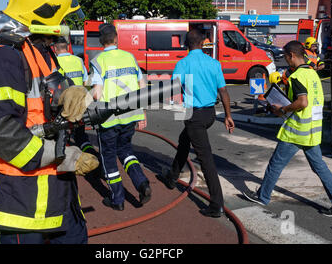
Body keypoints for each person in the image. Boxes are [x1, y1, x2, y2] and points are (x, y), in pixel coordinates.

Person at [0, 0, 97, 244]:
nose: (64, 24)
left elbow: (53, 98)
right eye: (62, 17)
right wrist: (64, 155)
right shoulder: (5, 60)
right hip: (24, 206)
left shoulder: (42, 52)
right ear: (45, 15)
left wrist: (76, 94)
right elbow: (5, 136)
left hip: (59, 197)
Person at [243, 41, 332, 217]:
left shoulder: (297, 76)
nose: (286, 60)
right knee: (320, 167)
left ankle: (263, 196)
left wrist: (282, 109)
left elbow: (302, 102)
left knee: (275, 165)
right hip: (312, 130)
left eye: (285, 57)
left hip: (296, 130)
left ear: (291, 55)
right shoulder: (313, 74)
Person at [159, 28, 235, 218]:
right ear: (203, 43)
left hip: (193, 115)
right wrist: (228, 116)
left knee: (205, 158)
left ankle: (216, 204)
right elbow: (223, 91)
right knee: (184, 140)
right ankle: (172, 176)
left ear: (186, 45)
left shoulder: (183, 64)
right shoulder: (214, 63)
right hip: (210, 114)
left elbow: (173, 89)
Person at [90, 23, 151, 211]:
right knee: (126, 151)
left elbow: (96, 94)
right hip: (130, 115)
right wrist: (142, 113)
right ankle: (141, 183)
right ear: (116, 38)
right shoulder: (130, 57)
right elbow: (142, 87)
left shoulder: (98, 60)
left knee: (108, 158)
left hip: (109, 118)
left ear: (101, 41)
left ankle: (118, 200)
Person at [53, 37, 99, 163]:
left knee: (61, 135)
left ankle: (67, 161)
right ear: (67, 47)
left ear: (55, 48)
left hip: (63, 105)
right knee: (80, 135)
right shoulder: (78, 60)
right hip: (80, 103)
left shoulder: (54, 61)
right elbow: (85, 81)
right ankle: (91, 154)